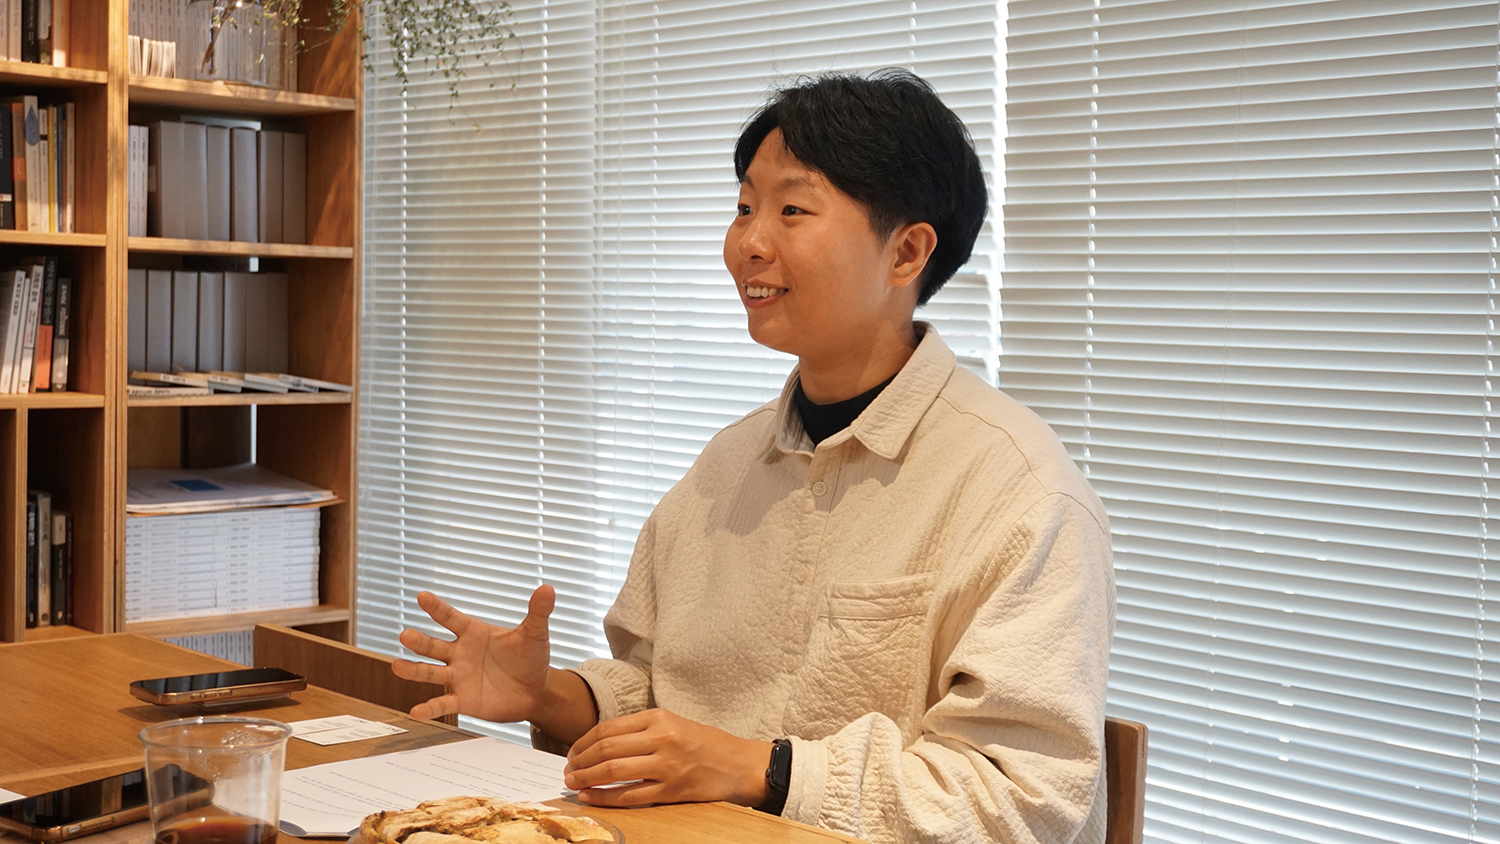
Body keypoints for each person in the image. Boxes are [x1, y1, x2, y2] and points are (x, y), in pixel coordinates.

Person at [393, 69, 1115, 844]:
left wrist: (763, 769)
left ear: (906, 252)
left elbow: (1020, 797)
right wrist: (549, 696)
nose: (748, 244)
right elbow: (659, 688)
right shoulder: (729, 464)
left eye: (791, 211)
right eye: (744, 208)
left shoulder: (1020, 491)